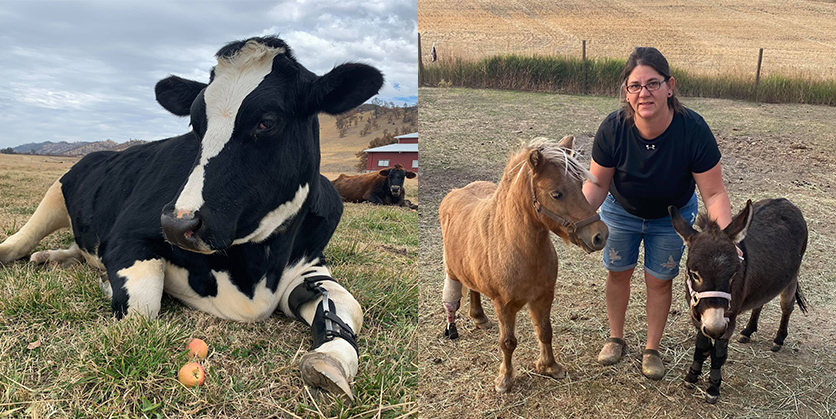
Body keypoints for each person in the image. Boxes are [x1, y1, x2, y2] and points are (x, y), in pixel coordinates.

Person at [582, 47, 733, 380]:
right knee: (618, 273)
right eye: (635, 86)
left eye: (652, 83)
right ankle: (616, 338)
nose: (644, 92)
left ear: (670, 86)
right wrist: (574, 220)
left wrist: (726, 238)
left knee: (659, 281)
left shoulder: (692, 130)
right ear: (626, 92)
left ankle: (651, 349)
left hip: (673, 220)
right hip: (621, 212)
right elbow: (597, 186)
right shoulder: (612, 129)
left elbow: (714, 192)